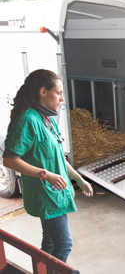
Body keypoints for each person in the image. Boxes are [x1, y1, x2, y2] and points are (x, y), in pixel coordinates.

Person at [2, 69, 93, 264]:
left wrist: (79, 179)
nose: (61, 98)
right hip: (45, 194)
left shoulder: (48, 118)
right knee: (64, 244)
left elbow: (59, 158)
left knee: (51, 242)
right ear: (43, 91)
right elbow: (9, 160)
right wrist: (45, 174)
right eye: (58, 93)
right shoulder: (28, 120)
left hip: (55, 192)